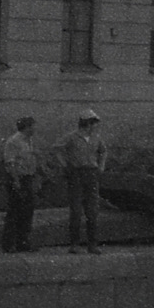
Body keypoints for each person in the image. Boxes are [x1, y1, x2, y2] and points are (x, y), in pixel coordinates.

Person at [61, 108, 108, 253]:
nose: (96, 126)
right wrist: (65, 165)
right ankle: (74, 244)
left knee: (92, 210)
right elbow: (57, 149)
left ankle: (92, 244)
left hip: (91, 174)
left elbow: (103, 151)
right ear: (87, 123)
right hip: (76, 174)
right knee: (76, 210)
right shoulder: (71, 137)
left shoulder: (96, 138)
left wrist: (101, 166)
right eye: (94, 123)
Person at [0, 116, 40, 252]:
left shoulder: (29, 141)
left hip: (28, 177)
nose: (35, 128)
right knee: (14, 211)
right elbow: (10, 163)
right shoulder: (14, 142)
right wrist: (16, 180)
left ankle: (23, 242)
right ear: (27, 127)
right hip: (17, 177)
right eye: (33, 126)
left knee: (27, 211)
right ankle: (9, 244)